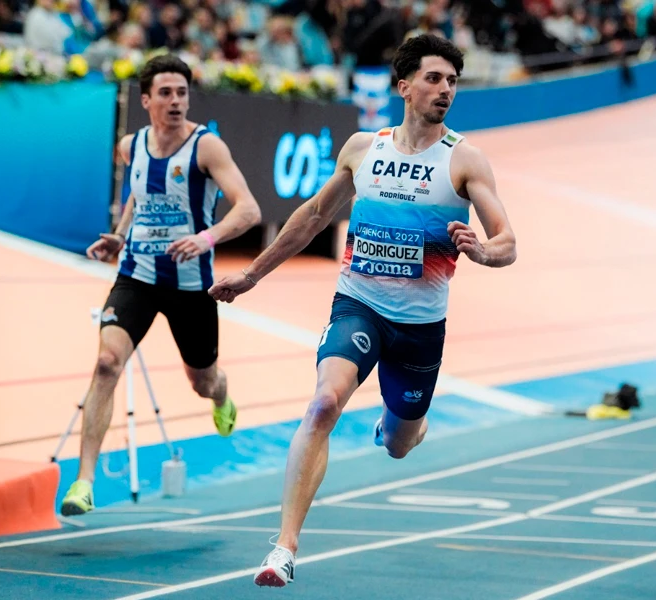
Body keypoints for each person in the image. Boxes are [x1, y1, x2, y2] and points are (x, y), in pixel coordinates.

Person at [207, 34, 517, 587]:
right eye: (433, 78)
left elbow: (507, 242)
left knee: (399, 444)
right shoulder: (362, 149)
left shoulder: (464, 159)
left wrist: (481, 250)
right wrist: (251, 276)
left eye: (452, 81)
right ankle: (284, 548)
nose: (445, 90)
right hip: (360, 305)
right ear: (404, 87)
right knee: (323, 404)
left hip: (420, 327)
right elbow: (311, 217)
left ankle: (401, 424)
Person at [60, 54, 262, 516]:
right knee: (107, 364)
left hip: (190, 287)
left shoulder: (206, 147)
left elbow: (248, 209)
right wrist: (120, 234)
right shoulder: (130, 146)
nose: (175, 101)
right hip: (137, 275)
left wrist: (205, 238)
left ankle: (222, 394)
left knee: (202, 381)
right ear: (146, 100)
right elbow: (138, 191)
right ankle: (84, 482)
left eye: (182, 93)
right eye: (165, 93)